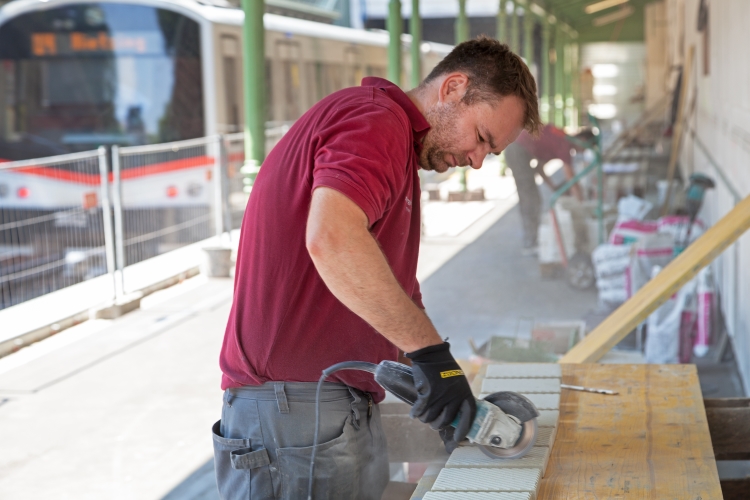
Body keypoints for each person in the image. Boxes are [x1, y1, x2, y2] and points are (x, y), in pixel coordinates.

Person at [213, 37, 541, 500]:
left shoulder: (399, 152)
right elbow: (333, 239)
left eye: (491, 152)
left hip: (325, 407)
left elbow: (392, 291)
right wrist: (434, 360)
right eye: (482, 137)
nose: (477, 160)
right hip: (292, 413)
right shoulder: (375, 121)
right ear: (453, 88)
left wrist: (438, 382)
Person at [503, 123, 582, 252]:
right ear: (582, 140)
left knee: (532, 198)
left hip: (517, 148)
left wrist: (554, 187)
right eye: (585, 148)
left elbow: (539, 167)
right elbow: (571, 179)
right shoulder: (565, 144)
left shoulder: (559, 139)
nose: (583, 151)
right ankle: (531, 243)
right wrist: (581, 203)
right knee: (530, 198)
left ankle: (533, 239)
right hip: (517, 149)